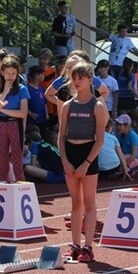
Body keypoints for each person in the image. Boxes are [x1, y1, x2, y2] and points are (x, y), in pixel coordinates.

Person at [58, 62, 109, 263]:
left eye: (81, 78)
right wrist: (65, 161)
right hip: (70, 154)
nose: (77, 82)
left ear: (90, 80)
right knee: (75, 203)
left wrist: (87, 162)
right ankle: (75, 245)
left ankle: (88, 246)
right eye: (74, 78)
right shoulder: (68, 105)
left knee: (89, 203)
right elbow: (61, 137)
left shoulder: (97, 106)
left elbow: (100, 139)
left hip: (89, 154)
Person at [0, 55, 29, 183]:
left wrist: (2, 110)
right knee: (1, 157)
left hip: (15, 125)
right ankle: (2, 183)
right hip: (0, 124)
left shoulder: (22, 89)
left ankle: (21, 184)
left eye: (14, 73)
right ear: (2, 72)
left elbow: (22, 113)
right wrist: (5, 92)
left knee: (17, 157)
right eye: (7, 73)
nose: (10, 76)